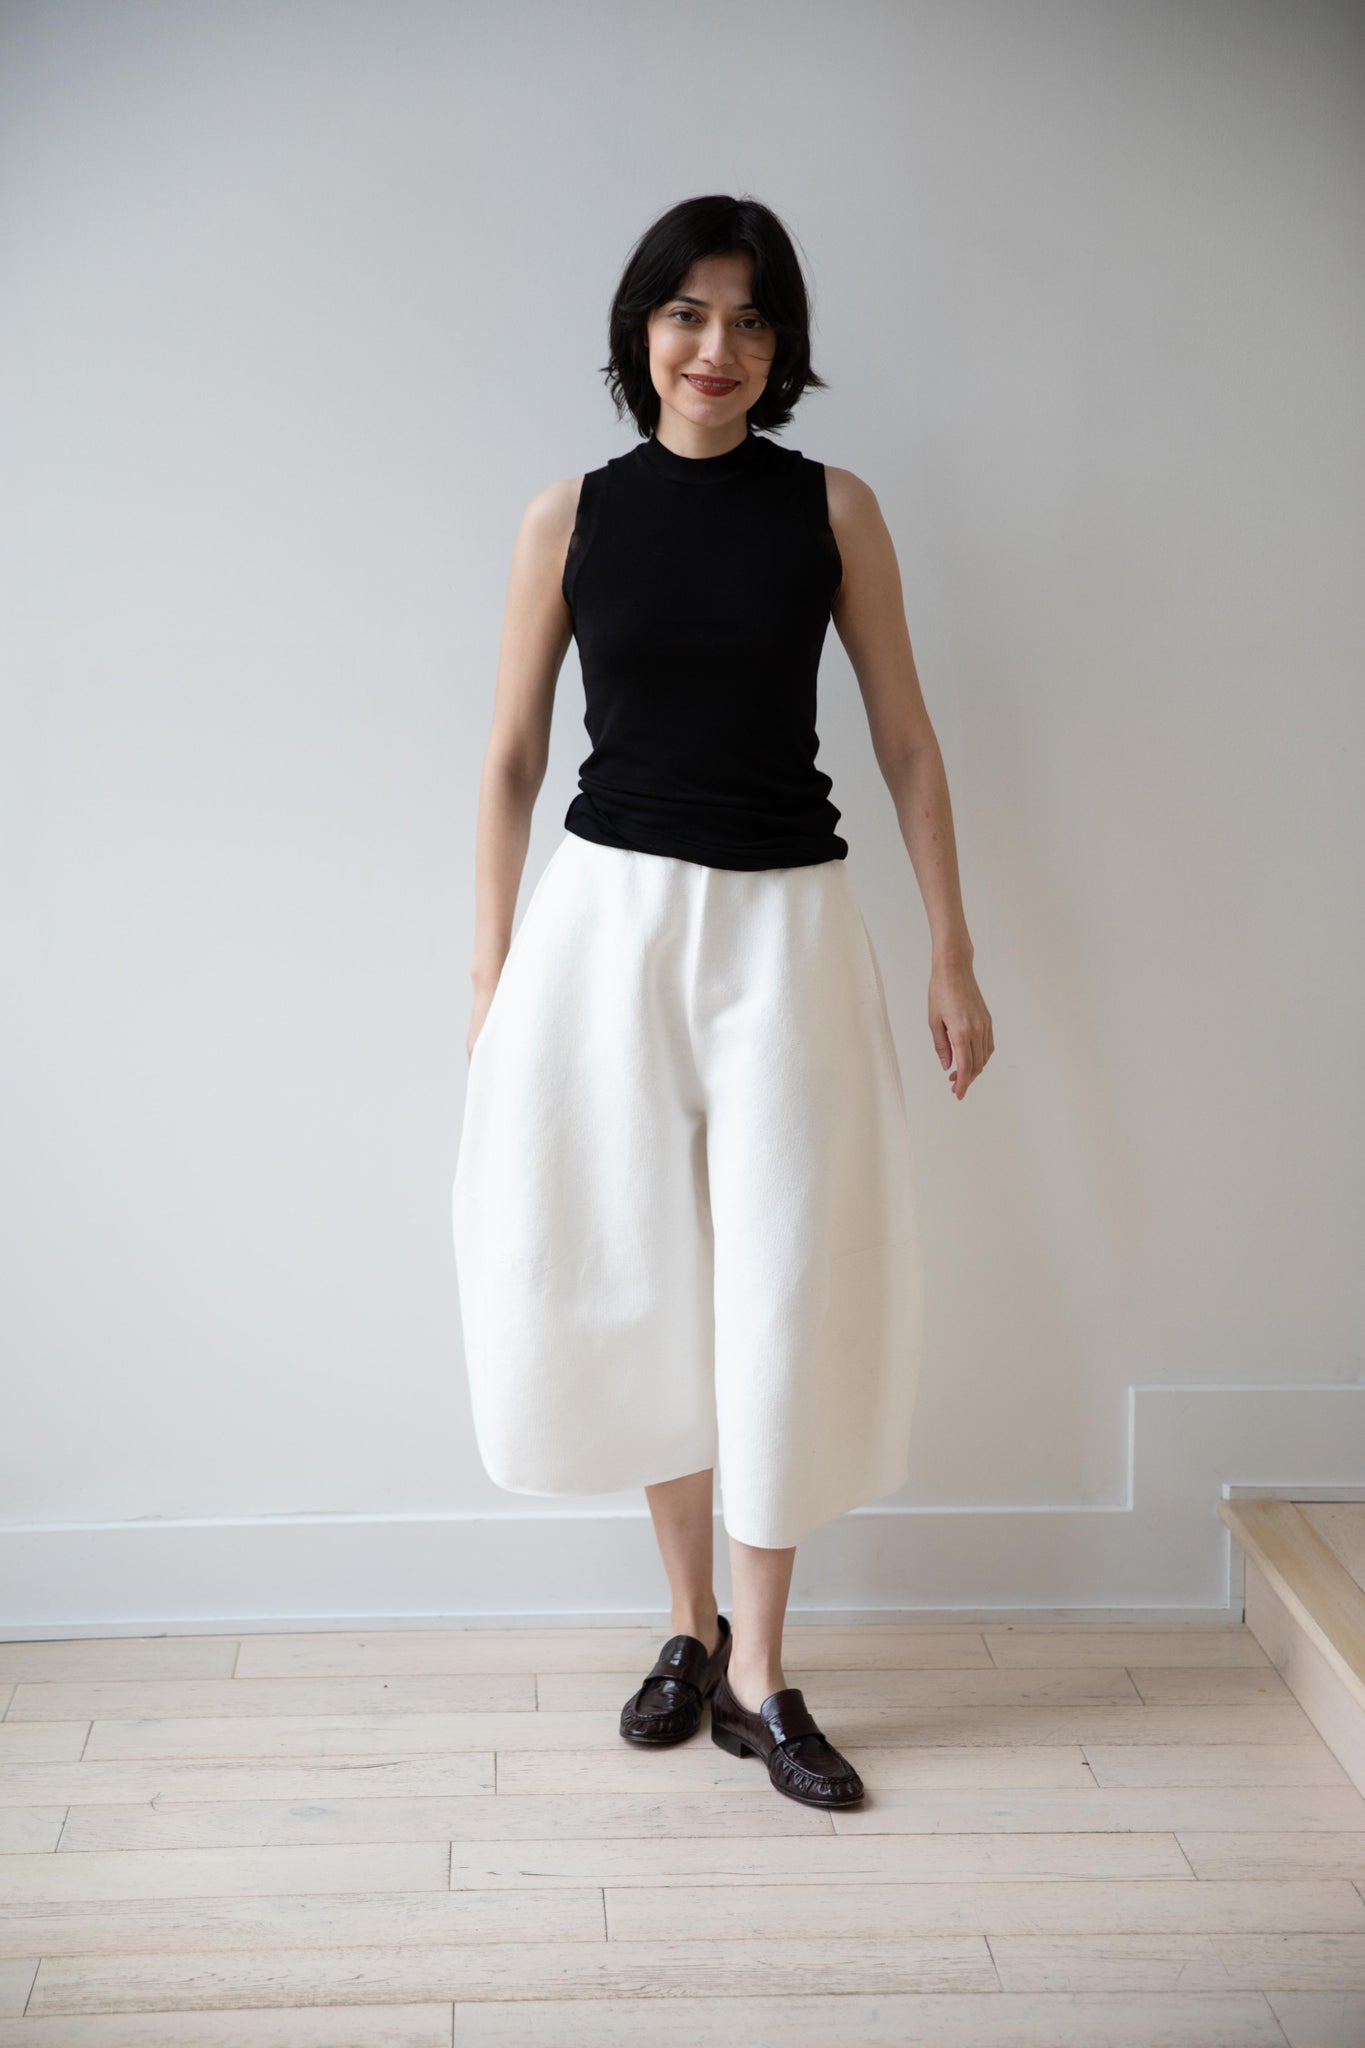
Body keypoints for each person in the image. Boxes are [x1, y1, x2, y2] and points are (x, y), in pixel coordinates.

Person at [452, 193, 992, 1808]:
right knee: (637, 1274)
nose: (718, 347)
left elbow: (905, 741)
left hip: (787, 929)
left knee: (782, 1282)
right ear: (641, 330)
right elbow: (508, 760)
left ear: (782, 348)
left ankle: (761, 1669)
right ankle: (684, 1629)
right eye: (688, 313)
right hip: (603, 929)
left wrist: (952, 952)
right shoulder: (568, 517)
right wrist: (490, 980)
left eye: (751, 321)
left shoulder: (833, 509)